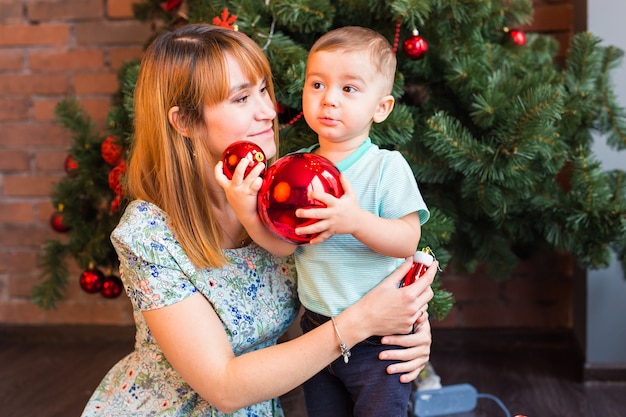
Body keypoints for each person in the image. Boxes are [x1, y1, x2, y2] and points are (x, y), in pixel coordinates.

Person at [81, 23, 436, 417]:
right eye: (241, 98)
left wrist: (408, 325)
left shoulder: (287, 193)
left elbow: (360, 262)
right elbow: (225, 388)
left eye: (264, 90)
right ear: (184, 122)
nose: (269, 111)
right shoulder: (148, 235)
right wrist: (365, 322)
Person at [218, 26, 430, 417]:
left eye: (349, 89)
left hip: (380, 339)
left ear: (380, 108)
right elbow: (286, 244)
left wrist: (355, 220)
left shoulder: (385, 167)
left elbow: (407, 240)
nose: (329, 99)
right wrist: (248, 211)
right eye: (317, 84)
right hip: (317, 330)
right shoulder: (293, 169)